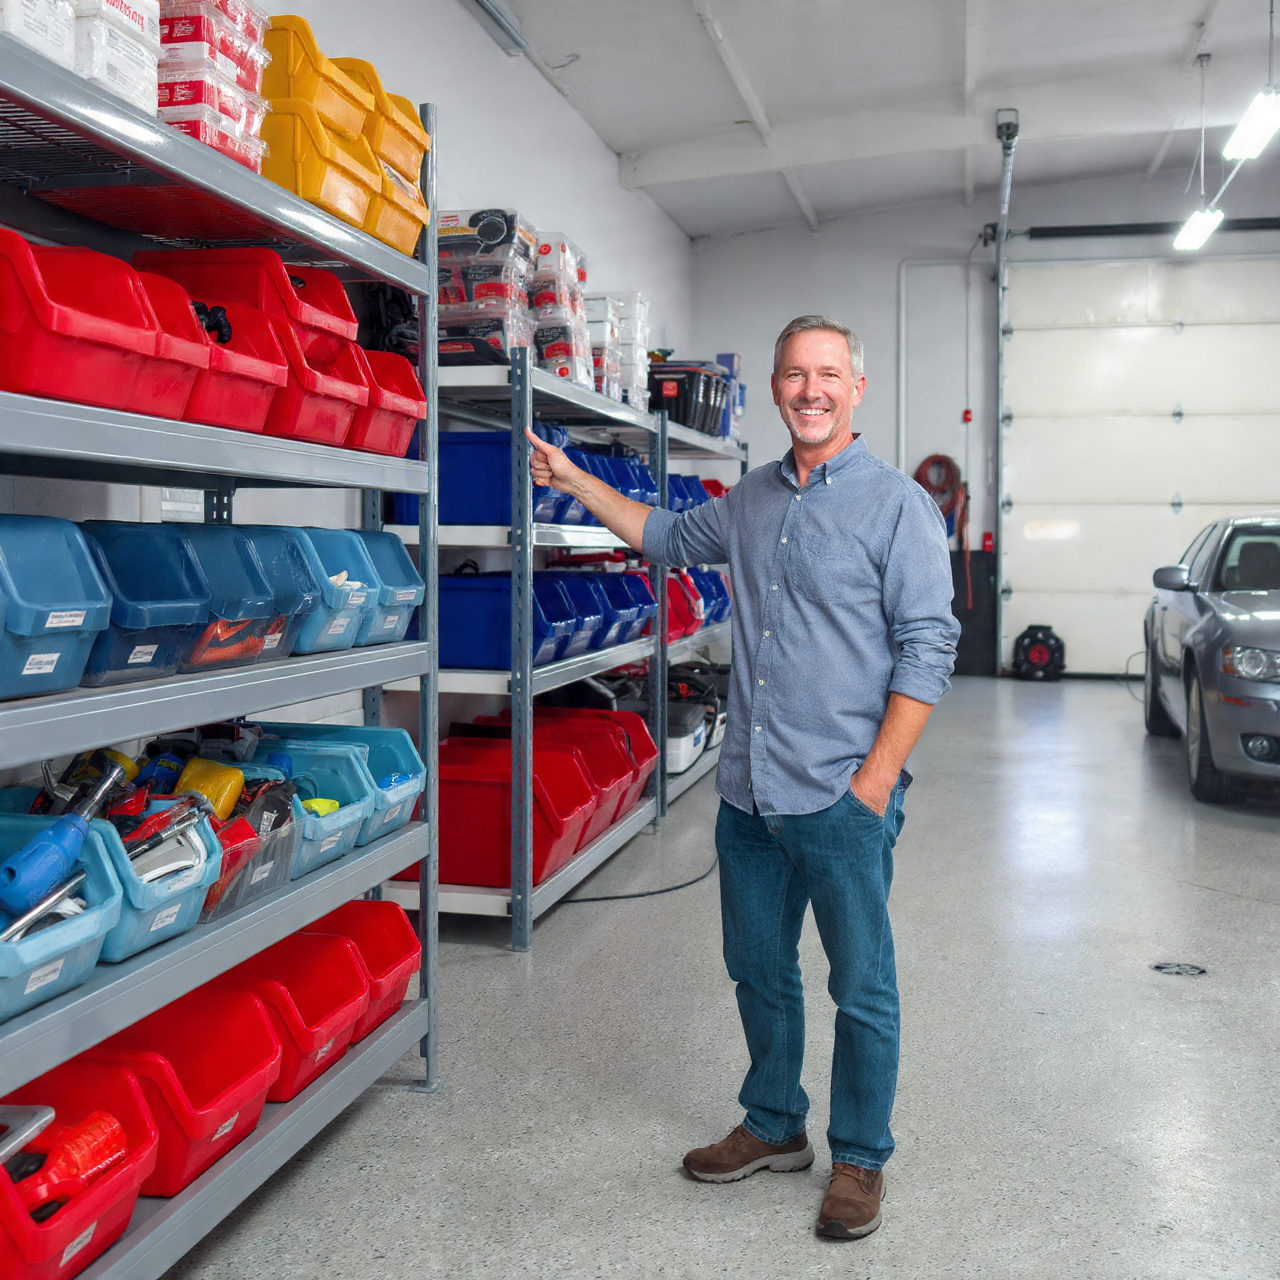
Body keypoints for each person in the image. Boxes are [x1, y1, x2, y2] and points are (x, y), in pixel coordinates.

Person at [525, 315, 959, 1240]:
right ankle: (773, 1126)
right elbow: (665, 535)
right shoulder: (752, 498)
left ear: (857, 389)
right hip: (748, 791)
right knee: (758, 971)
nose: (812, 390)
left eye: (829, 374)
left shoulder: (896, 507)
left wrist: (876, 782)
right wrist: (571, 480)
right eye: (796, 374)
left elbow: (930, 649)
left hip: (843, 795)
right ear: (774, 387)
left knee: (861, 985)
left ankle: (860, 1157)